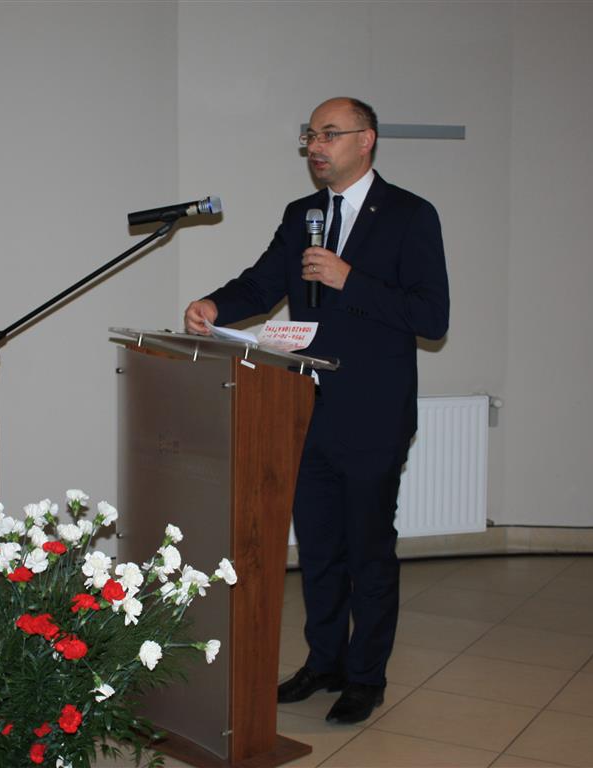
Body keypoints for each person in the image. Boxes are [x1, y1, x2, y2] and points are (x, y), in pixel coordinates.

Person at [183, 97, 449, 724]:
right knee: (320, 549)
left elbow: (431, 317)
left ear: (367, 140)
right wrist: (214, 306)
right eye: (310, 135)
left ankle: (366, 676)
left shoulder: (410, 215)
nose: (316, 147)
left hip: (374, 413)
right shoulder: (301, 214)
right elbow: (261, 283)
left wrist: (349, 279)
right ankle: (324, 661)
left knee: (368, 551)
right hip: (305, 409)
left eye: (330, 134)